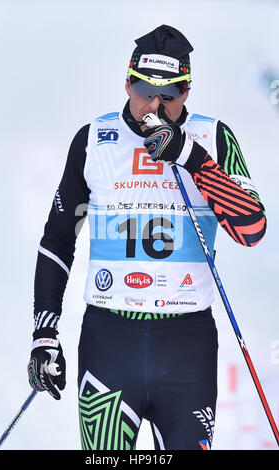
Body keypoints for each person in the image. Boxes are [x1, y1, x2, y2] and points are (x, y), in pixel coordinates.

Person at [27, 25, 266, 450]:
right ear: (127, 82)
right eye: (143, 90)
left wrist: (191, 158)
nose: (153, 106)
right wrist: (45, 333)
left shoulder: (212, 137)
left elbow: (251, 229)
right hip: (110, 340)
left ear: (187, 92)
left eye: (168, 96)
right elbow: (58, 240)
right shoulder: (93, 140)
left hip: (187, 347)